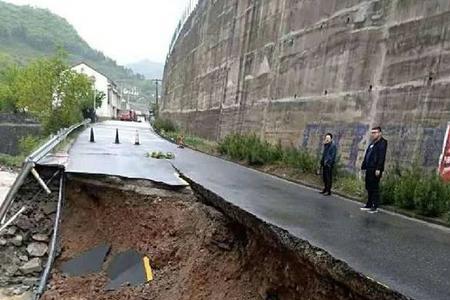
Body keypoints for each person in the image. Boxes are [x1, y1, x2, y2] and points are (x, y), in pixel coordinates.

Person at [360, 126, 388, 213]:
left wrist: (378, 168)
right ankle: (369, 204)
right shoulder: (373, 143)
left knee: (374, 187)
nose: (373, 134)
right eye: (372, 132)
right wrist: (364, 166)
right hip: (369, 167)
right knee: (368, 186)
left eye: (375, 132)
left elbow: (381, 157)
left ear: (380, 133)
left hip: (375, 168)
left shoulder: (382, 143)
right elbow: (368, 154)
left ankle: (374, 206)